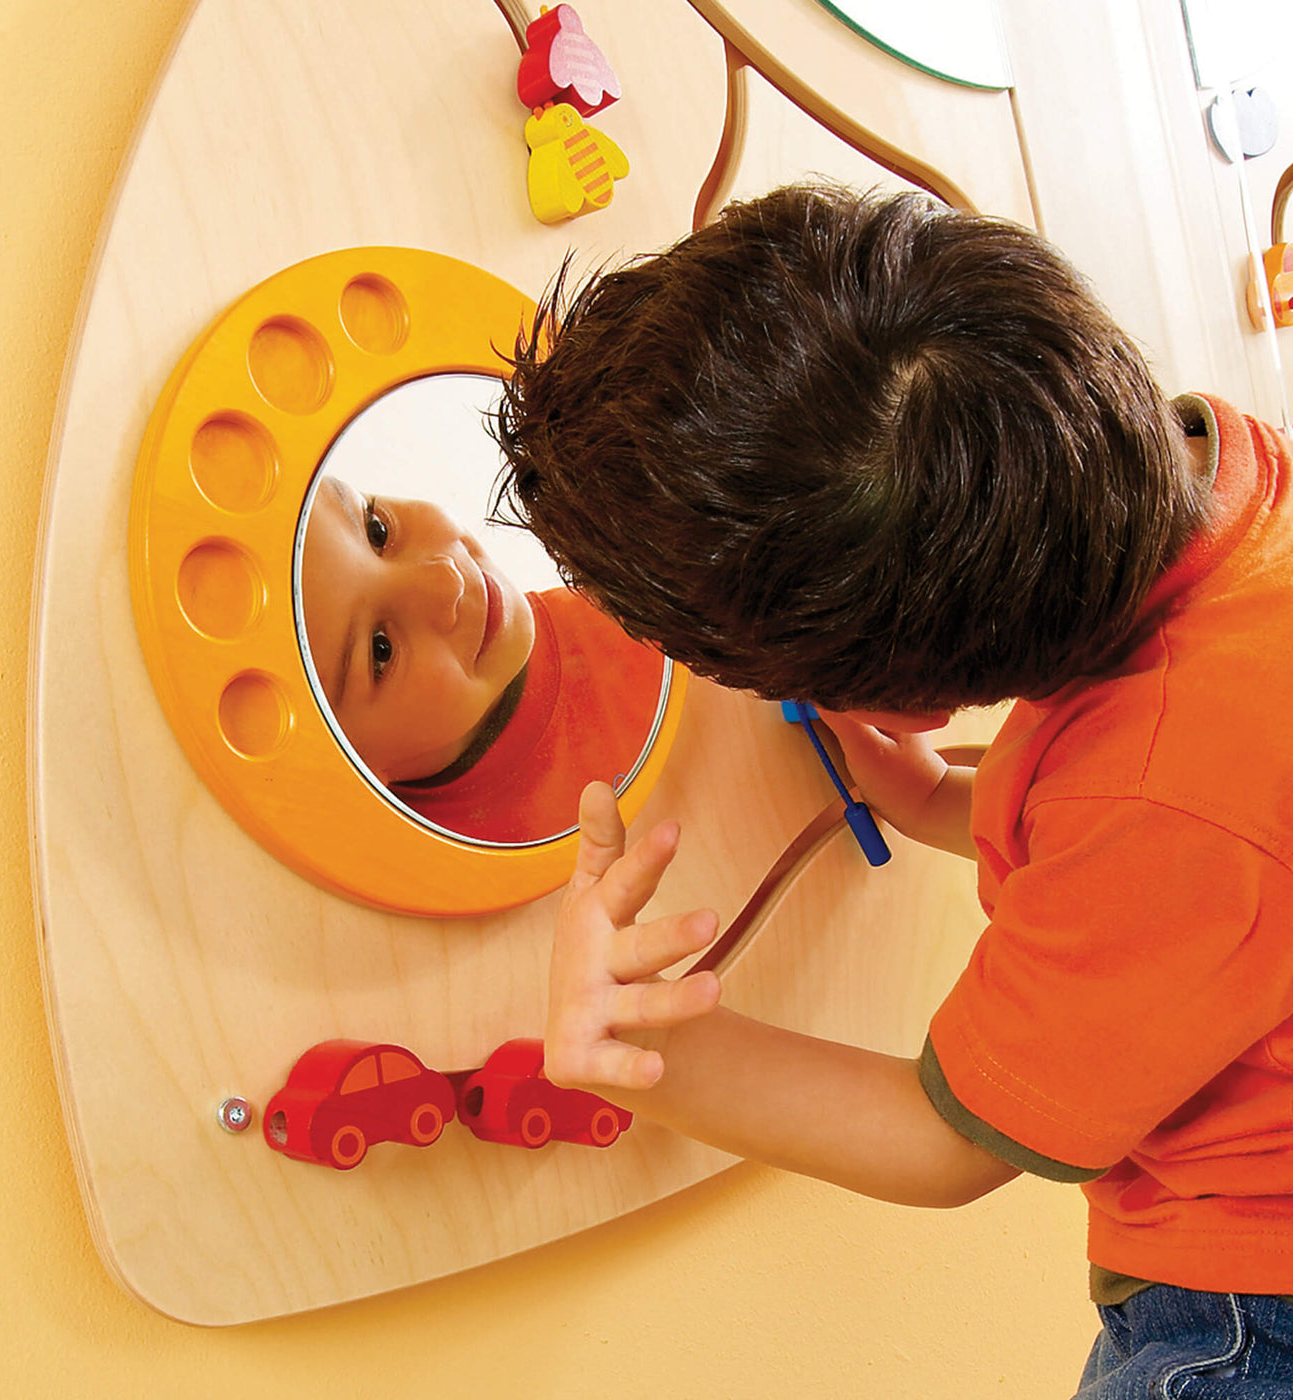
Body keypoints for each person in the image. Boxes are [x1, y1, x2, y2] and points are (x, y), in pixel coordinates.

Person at [490, 181, 1293, 1394]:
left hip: (1246, 1310)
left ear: (896, 699)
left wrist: (656, 1052)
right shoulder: (1228, 468)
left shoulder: (1154, 799)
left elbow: (942, 1138)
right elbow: (1216, 864)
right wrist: (930, 801)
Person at [299, 474, 665, 843]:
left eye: (376, 530)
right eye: (382, 650)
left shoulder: (642, 597)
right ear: (352, 770)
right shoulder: (420, 880)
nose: (446, 579)